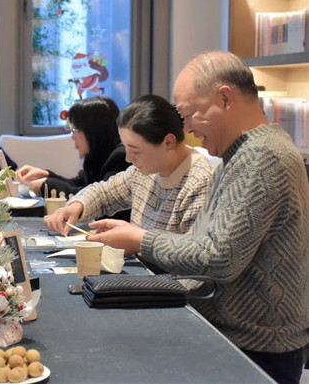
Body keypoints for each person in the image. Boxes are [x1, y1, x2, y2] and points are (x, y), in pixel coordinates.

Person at [86, 52, 309, 384]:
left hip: (253, 345)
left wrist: (141, 240)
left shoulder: (262, 157)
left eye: (189, 114)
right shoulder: (245, 153)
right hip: (237, 335)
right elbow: (207, 246)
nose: (186, 128)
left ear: (225, 98)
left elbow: (218, 258)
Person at [44, 94, 216, 242]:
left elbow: (192, 254)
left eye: (135, 150)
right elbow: (104, 193)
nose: (128, 158)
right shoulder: (142, 172)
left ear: (168, 142)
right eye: (125, 147)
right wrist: (76, 206)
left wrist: (137, 239)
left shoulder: (200, 182)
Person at [16, 96, 130, 198]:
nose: (72, 137)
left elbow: (99, 199)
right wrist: (45, 174)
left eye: (75, 130)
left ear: (94, 131)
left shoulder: (120, 158)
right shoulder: (97, 155)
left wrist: (48, 186)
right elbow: (77, 184)